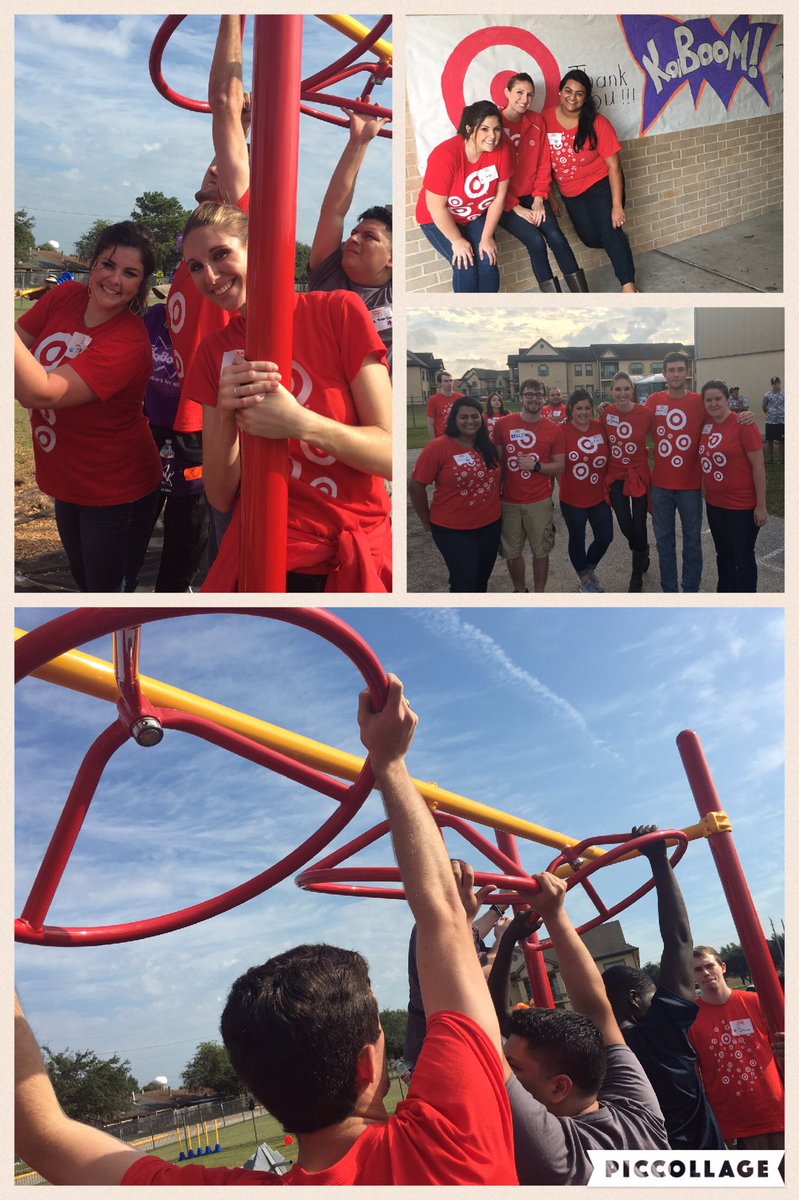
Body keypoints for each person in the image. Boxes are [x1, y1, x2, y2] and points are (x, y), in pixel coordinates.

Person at [15, 677, 518, 1186]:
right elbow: (444, 917)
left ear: (260, 1092)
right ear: (369, 1065)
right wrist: (390, 762)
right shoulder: (449, 1143)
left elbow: (39, 1133)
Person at [181, 202, 392, 592]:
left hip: (351, 552)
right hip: (266, 549)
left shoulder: (337, 311)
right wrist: (226, 412)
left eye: (220, 254)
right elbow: (220, 495)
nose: (209, 276)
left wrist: (301, 424)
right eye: (195, 266)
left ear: (258, 249)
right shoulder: (213, 352)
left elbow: (391, 454)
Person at [488, 872, 669, 1185]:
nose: (506, 1071)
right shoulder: (639, 1114)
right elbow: (598, 1010)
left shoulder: (559, 1156)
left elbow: (482, 1032)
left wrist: (455, 919)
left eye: (513, 1067)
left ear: (560, 1087)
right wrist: (555, 914)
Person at [14, 221, 162, 592]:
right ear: (93, 264)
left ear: (141, 284)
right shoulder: (64, 298)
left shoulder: (127, 342)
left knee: (105, 591)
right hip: (68, 479)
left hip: (115, 489)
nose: (114, 280)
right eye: (108, 265)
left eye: (130, 273)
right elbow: (16, 345)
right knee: (84, 580)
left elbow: (42, 392)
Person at [167, 15, 252, 563]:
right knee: (194, 528)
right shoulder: (189, 253)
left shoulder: (234, 231)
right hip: (182, 411)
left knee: (226, 534)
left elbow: (225, 101)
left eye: (225, 169)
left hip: (216, 420)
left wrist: (232, 14)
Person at [602, 826, 724, 1150]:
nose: (659, 1001)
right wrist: (658, 858)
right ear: (633, 999)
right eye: (652, 998)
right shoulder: (661, 1035)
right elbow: (679, 941)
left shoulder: (603, 1054)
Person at [309, 108, 393, 365]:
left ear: (392, 258)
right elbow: (333, 211)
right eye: (354, 233)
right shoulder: (330, 274)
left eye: (369, 236)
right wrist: (358, 143)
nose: (353, 239)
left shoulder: (395, 293)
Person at [543, 70, 638, 293]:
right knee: (590, 238)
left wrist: (617, 206)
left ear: (586, 97)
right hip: (570, 192)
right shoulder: (545, 119)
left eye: (579, 93)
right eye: (568, 90)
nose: (572, 97)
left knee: (609, 230)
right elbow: (543, 162)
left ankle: (628, 285)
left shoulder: (598, 123)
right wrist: (552, 196)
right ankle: (618, 243)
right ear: (560, 91)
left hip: (600, 185)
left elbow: (614, 166)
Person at [403, 883, 509, 1070]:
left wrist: (499, 907)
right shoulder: (434, 928)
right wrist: (503, 939)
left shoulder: (432, 924)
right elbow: (477, 975)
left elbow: (471, 932)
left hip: (436, 1040)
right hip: (443, 1048)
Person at [142, 301, 209, 592]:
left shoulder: (210, 327)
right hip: (150, 429)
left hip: (194, 435)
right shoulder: (156, 317)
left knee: (186, 524)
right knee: (138, 515)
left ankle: (172, 593)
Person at [690, 946, 784, 1149]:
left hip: (777, 1112)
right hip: (732, 1124)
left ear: (722, 967)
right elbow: (695, 1075)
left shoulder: (757, 1002)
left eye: (709, 966)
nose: (705, 973)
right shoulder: (690, 1020)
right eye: (698, 969)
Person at [498, 73, 584, 293]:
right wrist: (515, 207)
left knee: (556, 236)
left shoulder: (536, 121)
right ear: (507, 93)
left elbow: (544, 163)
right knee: (536, 242)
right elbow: (492, 175)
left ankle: (583, 296)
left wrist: (538, 199)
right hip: (505, 201)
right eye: (519, 92)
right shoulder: (493, 125)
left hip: (534, 195)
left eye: (529, 95)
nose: (524, 99)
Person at [416, 100, 513, 293]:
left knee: (488, 260)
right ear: (469, 129)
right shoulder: (445, 155)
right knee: (465, 265)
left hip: (474, 215)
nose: (492, 136)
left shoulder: (502, 150)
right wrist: (457, 241)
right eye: (484, 129)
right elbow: (436, 207)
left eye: (497, 129)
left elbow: (498, 198)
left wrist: (486, 237)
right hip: (437, 218)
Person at [409, 396, 502, 592]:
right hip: (453, 529)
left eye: (475, 416)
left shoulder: (487, 445)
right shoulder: (438, 447)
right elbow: (416, 486)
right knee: (464, 580)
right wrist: (426, 520)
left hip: (490, 525)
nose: (470, 421)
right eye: (464, 417)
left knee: (482, 578)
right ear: (454, 419)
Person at [491, 380, 565, 593]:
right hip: (509, 500)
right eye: (529, 394)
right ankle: (519, 590)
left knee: (541, 551)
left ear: (544, 398)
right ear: (521, 397)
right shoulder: (503, 425)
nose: (534, 398)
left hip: (539, 500)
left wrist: (537, 466)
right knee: (512, 552)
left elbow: (560, 465)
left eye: (538, 395)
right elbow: (497, 462)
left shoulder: (553, 429)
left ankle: (539, 594)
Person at [698, 380, 767, 592]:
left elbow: (758, 467)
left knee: (742, 556)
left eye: (718, 399)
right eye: (708, 400)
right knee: (724, 554)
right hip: (715, 504)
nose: (714, 403)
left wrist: (761, 505)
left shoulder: (744, 425)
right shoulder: (706, 425)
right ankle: (725, 592)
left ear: (728, 399)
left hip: (741, 506)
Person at [601, 371, 652, 591]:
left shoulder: (645, 413)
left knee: (639, 524)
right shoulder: (606, 413)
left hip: (638, 474)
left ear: (632, 390)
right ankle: (642, 549)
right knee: (625, 523)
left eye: (626, 389)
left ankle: (636, 576)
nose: (622, 393)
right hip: (616, 474)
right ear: (612, 391)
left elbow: (663, 431)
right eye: (617, 389)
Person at [559, 389, 612, 592]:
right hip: (572, 498)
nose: (583, 413)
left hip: (598, 496)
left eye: (587, 408)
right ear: (571, 409)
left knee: (605, 536)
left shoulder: (600, 427)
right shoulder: (561, 431)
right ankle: (584, 579)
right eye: (579, 408)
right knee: (577, 539)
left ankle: (588, 570)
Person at [426, 369, 463, 440]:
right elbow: (430, 424)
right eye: (446, 381)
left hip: (459, 436)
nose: (449, 383)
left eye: (451, 380)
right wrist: (434, 441)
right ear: (440, 383)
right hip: (442, 437)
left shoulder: (461, 398)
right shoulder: (433, 400)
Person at [761, 375, 784, 465]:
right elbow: (764, 406)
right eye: (773, 383)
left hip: (782, 420)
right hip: (771, 421)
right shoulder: (767, 395)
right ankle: (770, 458)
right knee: (770, 440)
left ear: (780, 383)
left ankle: (782, 458)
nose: (775, 385)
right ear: (771, 384)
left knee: (782, 440)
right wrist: (769, 413)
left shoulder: (785, 394)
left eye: (777, 383)